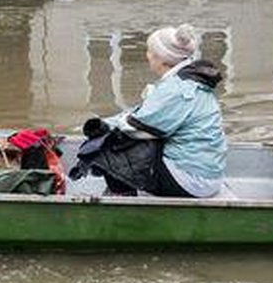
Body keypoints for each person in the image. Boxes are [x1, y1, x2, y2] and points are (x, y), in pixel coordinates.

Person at [73, 24, 227, 197]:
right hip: (209, 175)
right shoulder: (193, 81)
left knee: (109, 144)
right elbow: (148, 115)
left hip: (191, 182)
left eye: (149, 51)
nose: (147, 56)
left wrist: (102, 127)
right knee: (131, 136)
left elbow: (135, 127)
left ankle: (122, 199)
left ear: (160, 58)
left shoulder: (175, 89)